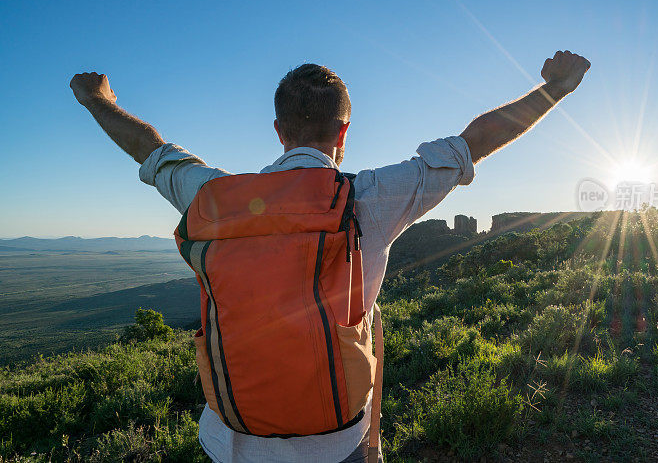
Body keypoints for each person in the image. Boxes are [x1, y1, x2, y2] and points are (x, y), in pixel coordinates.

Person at [69, 50, 590, 463]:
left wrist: (97, 100)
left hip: (230, 438)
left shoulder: (211, 197)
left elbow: (151, 150)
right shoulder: (372, 197)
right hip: (335, 442)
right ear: (343, 133)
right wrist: (555, 89)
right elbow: (473, 143)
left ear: (278, 130)